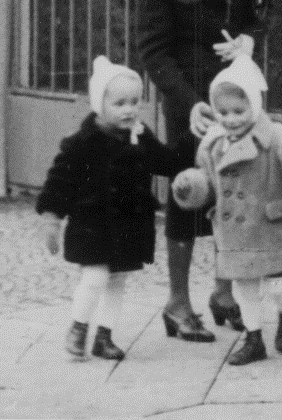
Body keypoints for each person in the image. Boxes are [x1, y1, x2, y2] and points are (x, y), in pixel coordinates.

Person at [135, 0, 267, 341]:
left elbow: (259, 9)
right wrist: (188, 101)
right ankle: (176, 303)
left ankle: (224, 292)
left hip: (236, 88)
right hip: (189, 96)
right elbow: (152, 49)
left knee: (238, 187)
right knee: (189, 192)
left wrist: (249, 42)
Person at [37, 56, 183, 361]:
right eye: (119, 103)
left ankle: (105, 336)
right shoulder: (81, 143)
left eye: (134, 101)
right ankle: (78, 327)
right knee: (95, 278)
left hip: (129, 225)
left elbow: (165, 163)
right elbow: (59, 181)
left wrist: (174, 147)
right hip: (93, 225)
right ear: (99, 104)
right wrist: (51, 219)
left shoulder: (140, 136)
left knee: (118, 279)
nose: (129, 109)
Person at [172, 55, 282, 366]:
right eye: (223, 112)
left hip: (270, 224)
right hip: (236, 229)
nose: (231, 118)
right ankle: (254, 340)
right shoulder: (213, 143)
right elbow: (209, 181)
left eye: (239, 110)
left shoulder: (276, 136)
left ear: (255, 103)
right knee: (244, 287)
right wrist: (194, 188)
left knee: (274, 286)